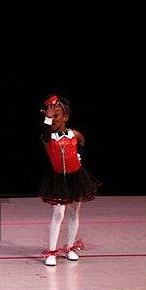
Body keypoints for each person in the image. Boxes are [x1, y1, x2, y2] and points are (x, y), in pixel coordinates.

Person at [38, 94, 101, 266]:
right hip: (58, 179)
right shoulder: (48, 138)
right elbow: (44, 135)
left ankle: (70, 248)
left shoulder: (74, 134)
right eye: (51, 117)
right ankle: (51, 251)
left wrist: (79, 155)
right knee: (58, 213)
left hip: (76, 177)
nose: (53, 120)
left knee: (74, 212)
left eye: (56, 117)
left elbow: (82, 141)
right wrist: (47, 118)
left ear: (65, 117)